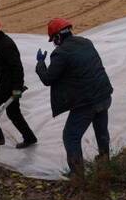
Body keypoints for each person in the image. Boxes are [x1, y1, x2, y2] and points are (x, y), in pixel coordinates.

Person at [36, 18, 113, 177]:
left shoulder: (61, 53)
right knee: (101, 130)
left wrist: (40, 64)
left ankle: (78, 175)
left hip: (87, 102)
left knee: (70, 136)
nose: (54, 43)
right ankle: (105, 162)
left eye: (53, 40)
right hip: (104, 94)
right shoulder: (86, 42)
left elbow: (48, 79)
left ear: (57, 37)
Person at [0, 17, 37, 148]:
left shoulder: (6, 45)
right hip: (7, 84)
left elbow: (17, 68)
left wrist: (17, 90)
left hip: (8, 86)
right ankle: (30, 138)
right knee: (13, 112)